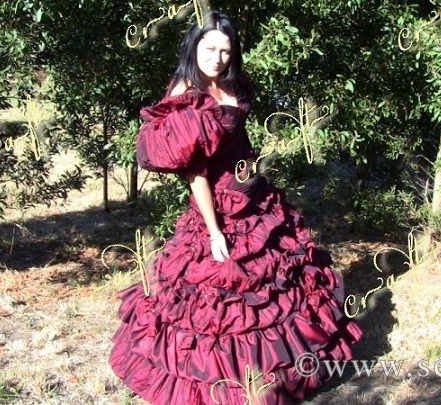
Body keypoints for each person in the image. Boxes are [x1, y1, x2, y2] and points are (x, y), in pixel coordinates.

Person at [109, 11, 363, 405]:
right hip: (219, 206)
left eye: (225, 51)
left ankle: (281, 370)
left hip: (254, 197)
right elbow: (195, 174)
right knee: (222, 300)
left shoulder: (230, 81)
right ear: (193, 46)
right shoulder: (186, 95)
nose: (217, 58)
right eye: (209, 48)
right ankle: (228, 385)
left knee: (282, 282)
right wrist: (214, 231)